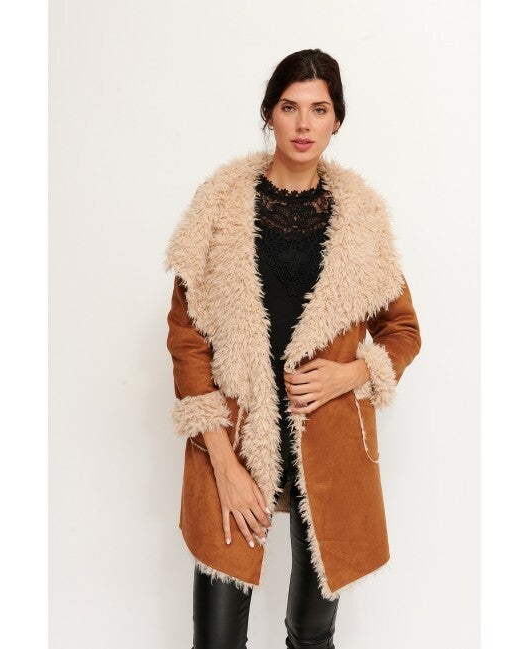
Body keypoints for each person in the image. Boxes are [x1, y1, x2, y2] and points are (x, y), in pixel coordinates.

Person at [164, 48, 421, 649]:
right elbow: (186, 340)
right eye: (289, 107)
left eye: (319, 109)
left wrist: (351, 374)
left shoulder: (361, 222)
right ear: (269, 114)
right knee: (216, 639)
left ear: (337, 120)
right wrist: (223, 464)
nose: (304, 124)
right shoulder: (219, 207)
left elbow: (403, 330)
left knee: (310, 635)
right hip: (234, 440)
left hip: (328, 446)